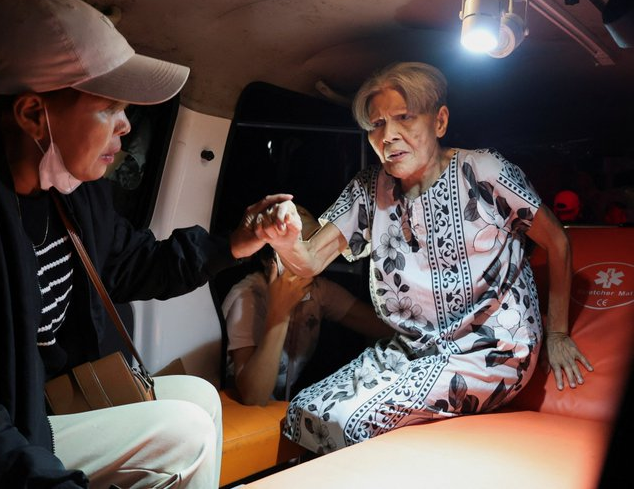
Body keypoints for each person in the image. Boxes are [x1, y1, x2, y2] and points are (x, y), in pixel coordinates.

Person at [0, 0, 288, 489]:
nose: (127, 125)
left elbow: (135, 263)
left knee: (199, 399)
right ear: (32, 115)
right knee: (186, 432)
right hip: (7, 429)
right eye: (110, 107)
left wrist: (234, 244)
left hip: (50, 403)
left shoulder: (73, 195)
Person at [252, 62, 593, 454]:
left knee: (354, 422)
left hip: (491, 351)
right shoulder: (369, 189)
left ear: (439, 121)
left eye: (404, 118)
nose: (388, 136)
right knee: (305, 409)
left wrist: (557, 333)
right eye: (377, 124)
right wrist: (284, 238)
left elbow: (557, 241)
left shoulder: (484, 171)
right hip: (413, 348)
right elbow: (310, 260)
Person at [223, 205, 392, 405]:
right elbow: (253, 397)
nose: (303, 263)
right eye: (292, 250)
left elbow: (379, 326)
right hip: (238, 410)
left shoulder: (317, 290)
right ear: (269, 260)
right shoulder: (247, 297)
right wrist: (280, 312)